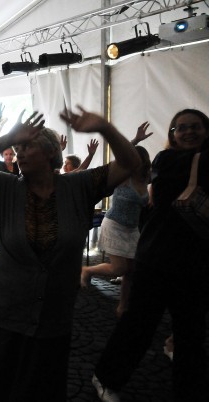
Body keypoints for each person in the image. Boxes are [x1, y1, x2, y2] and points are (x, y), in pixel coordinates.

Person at [0, 106, 140, 401]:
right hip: (1, 313)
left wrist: (104, 127)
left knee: (38, 389)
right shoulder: (4, 186)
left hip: (53, 316)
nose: (20, 153)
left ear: (52, 152)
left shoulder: (79, 185)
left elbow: (131, 162)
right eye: (18, 148)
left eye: (28, 146)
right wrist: (8, 138)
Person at [92, 109, 209, 402]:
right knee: (139, 327)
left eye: (195, 127)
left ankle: (188, 389)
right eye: (181, 128)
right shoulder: (165, 161)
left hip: (195, 263)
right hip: (157, 258)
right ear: (172, 135)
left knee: (192, 334)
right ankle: (106, 377)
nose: (189, 132)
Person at [80, 123, 152, 317]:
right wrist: (135, 140)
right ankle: (88, 270)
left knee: (131, 271)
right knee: (119, 268)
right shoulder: (122, 177)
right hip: (114, 225)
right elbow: (120, 158)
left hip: (132, 229)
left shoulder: (145, 179)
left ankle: (123, 305)